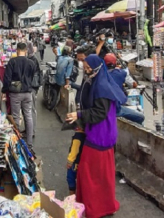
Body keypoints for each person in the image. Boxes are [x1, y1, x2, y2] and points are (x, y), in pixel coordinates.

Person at [65, 55, 125, 218]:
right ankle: (101, 204)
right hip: (102, 134)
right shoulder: (98, 82)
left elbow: (99, 112)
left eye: (88, 68)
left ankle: (96, 207)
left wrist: (79, 115)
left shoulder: (101, 87)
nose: (86, 70)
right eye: (85, 68)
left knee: (89, 173)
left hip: (100, 135)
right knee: (101, 174)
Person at [2, 42, 38, 149]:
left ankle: (17, 142)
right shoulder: (31, 63)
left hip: (15, 94)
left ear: (17, 50)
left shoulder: (12, 62)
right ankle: (29, 143)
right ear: (26, 50)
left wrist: (4, 91)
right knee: (28, 116)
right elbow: (32, 78)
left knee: (16, 117)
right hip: (28, 93)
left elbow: (7, 79)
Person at [104, 53, 145, 125]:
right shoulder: (122, 73)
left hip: (102, 109)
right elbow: (133, 84)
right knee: (141, 117)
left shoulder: (100, 74)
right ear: (115, 63)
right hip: (115, 110)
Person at [27, 45, 42, 137]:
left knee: (31, 109)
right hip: (33, 86)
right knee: (30, 109)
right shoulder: (33, 58)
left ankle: (32, 131)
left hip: (32, 86)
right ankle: (30, 130)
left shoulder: (32, 60)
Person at [66, 127, 86, 196]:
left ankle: (72, 194)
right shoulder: (87, 135)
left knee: (70, 178)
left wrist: (69, 162)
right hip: (83, 161)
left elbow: (74, 151)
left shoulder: (77, 137)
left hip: (75, 163)